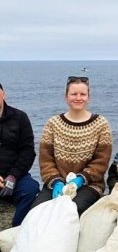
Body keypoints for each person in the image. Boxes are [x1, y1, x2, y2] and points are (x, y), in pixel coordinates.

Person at [31, 76, 112, 215]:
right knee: (37, 212)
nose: (78, 98)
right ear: (66, 97)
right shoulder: (53, 124)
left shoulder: (101, 124)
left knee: (70, 211)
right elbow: (46, 160)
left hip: (89, 185)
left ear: (88, 97)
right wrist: (56, 181)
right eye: (74, 94)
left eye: (83, 94)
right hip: (57, 183)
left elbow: (101, 161)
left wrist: (80, 179)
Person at [0, 82, 40, 226]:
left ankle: (15, 233)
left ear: (3, 94)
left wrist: (13, 176)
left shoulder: (20, 117)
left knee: (31, 190)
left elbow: (28, 151)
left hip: (15, 176)